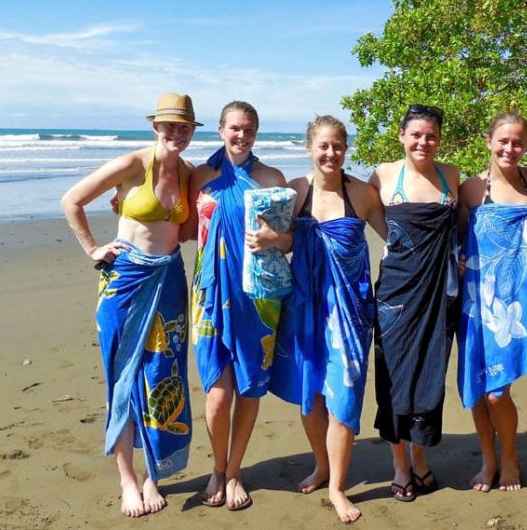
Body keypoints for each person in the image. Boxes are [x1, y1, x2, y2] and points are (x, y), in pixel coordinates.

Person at [60, 92, 200, 518]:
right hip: (125, 280)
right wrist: (92, 249)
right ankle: (127, 480)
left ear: (192, 132)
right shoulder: (132, 164)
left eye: (184, 127)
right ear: (155, 126)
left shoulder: (190, 172)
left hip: (170, 279)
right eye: (168, 125)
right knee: (120, 375)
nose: (175, 133)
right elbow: (72, 200)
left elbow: (191, 229)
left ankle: (154, 474)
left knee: (163, 374)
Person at [270, 115, 386, 524]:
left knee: (344, 395)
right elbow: (279, 244)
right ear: (309, 148)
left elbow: (398, 240)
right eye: (323, 146)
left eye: (337, 145)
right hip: (303, 306)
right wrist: (273, 240)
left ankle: (337, 487)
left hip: (349, 311)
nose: (331, 153)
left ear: (346, 148)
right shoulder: (295, 193)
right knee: (311, 393)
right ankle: (322, 464)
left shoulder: (363, 195)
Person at [186, 101, 290, 511]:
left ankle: (234, 473)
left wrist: (273, 240)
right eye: (234, 128)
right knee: (217, 393)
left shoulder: (271, 179)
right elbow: (179, 227)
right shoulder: (201, 176)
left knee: (248, 389)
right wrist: (124, 206)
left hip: (257, 298)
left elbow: (290, 240)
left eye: (248, 129)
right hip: (210, 293)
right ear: (221, 129)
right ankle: (217, 466)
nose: (241, 135)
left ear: (256, 132)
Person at [457, 112, 527, 492]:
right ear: (488, 141)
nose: (510, 149)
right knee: (480, 384)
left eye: (518, 142)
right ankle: (489, 458)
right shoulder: (470, 189)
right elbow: (458, 240)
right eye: (503, 141)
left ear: (526, 145)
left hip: (521, 298)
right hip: (479, 299)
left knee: (500, 390)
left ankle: (509, 455)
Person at [368, 105, 459, 502]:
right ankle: (399, 464)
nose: (424, 142)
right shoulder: (384, 175)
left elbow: (466, 226)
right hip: (396, 293)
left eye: (432, 136)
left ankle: (419, 455)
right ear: (402, 136)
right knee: (392, 375)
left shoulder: (451, 175)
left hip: (440, 292)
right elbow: (371, 221)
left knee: (430, 373)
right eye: (416, 135)